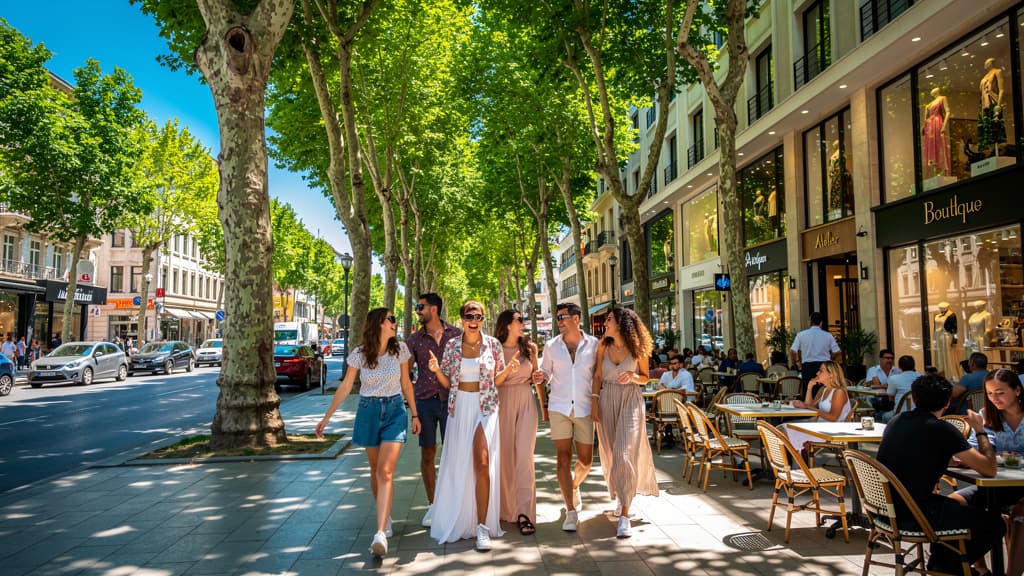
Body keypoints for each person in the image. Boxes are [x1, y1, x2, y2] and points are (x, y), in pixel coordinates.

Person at [315, 308, 420, 557]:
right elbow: (346, 386)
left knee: (385, 470)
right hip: (368, 411)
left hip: (395, 411)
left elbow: (406, 383)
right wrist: (326, 418)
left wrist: (415, 414)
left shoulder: (401, 350)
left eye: (395, 319)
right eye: (391, 319)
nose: (395, 323)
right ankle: (386, 517)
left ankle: (380, 532)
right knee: (375, 471)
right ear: (378, 324)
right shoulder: (359, 354)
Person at [877, 373, 1003, 574]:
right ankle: (949, 567)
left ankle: (943, 566)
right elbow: (989, 469)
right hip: (914, 513)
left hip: (885, 509)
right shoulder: (941, 429)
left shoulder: (897, 420)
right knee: (994, 523)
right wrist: (980, 430)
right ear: (947, 403)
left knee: (955, 506)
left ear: (915, 398)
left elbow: (921, 454)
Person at [428, 301, 516, 551]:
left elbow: (497, 380)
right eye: (469, 316)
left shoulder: (493, 345)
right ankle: (461, 518)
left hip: (486, 407)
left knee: (483, 462)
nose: (473, 320)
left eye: (478, 316)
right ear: (462, 319)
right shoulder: (452, 346)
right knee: (461, 465)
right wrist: (436, 370)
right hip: (460, 408)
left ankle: (481, 527)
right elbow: (447, 383)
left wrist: (509, 370)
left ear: (483, 318)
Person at [532, 302, 599, 532]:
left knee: (586, 461)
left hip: (584, 408)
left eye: (563, 317)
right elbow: (547, 374)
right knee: (562, 458)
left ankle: (575, 485)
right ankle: (570, 511)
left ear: (576, 318)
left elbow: (598, 376)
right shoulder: (551, 346)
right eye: (558, 318)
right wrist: (542, 375)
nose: (559, 321)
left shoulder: (594, 345)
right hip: (559, 407)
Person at [592, 308, 658, 538]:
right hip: (607, 398)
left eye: (609, 319)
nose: (605, 322)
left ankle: (625, 515)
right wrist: (594, 403)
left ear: (621, 324)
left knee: (624, 453)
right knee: (611, 453)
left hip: (630, 398)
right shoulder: (602, 346)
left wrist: (632, 376)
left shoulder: (638, 347)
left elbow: (645, 377)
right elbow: (598, 376)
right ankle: (621, 496)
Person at [950, 369, 1024, 575]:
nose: (994, 398)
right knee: (953, 504)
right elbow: (974, 448)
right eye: (990, 394)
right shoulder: (985, 416)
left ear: (1017, 390)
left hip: (1020, 486)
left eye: (1000, 392)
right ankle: (980, 568)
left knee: (1020, 517)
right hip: (996, 485)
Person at [405, 292, 462, 527]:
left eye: (421, 306)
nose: (417, 310)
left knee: (455, 454)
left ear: (434, 309)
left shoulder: (456, 335)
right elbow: (404, 373)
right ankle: (433, 506)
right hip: (425, 402)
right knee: (428, 453)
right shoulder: (414, 340)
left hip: (453, 401)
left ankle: (455, 503)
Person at [494, 309, 544, 536]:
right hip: (501, 400)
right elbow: (490, 380)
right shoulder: (493, 348)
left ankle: (525, 513)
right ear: (507, 325)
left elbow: (537, 377)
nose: (524, 323)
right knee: (504, 457)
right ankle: (505, 510)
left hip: (526, 400)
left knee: (524, 457)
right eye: (520, 320)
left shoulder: (530, 348)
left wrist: (544, 407)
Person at [779, 361, 851, 453]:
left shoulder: (839, 392)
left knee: (783, 431)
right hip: (818, 426)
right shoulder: (823, 389)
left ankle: (792, 463)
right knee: (780, 429)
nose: (817, 373)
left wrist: (807, 406)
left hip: (830, 431)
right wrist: (809, 388)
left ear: (831, 374)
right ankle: (793, 462)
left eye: (821, 371)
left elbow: (833, 417)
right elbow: (810, 406)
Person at [789, 312, 840, 396]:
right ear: (821, 322)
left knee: (808, 391)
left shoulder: (801, 335)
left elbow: (792, 351)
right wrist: (830, 360)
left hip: (807, 367)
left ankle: (809, 407)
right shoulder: (828, 335)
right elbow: (837, 351)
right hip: (824, 367)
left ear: (810, 322)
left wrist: (796, 363)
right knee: (824, 391)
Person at [877, 355, 921, 422]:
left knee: (883, 416)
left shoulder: (894, 379)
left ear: (900, 367)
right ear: (914, 365)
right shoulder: (922, 377)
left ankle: (889, 432)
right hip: (920, 413)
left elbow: (891, 399)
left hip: (900, 414)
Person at [866, 349, 899, 413]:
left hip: (892, 398)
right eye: (887, 358)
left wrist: (881, 386)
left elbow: (877, 385)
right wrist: (884, 386)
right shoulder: (873, 370)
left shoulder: (897, 371)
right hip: (876, 398)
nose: (890, 360)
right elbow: (873, 384)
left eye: (892, 358)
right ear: (880, 359)